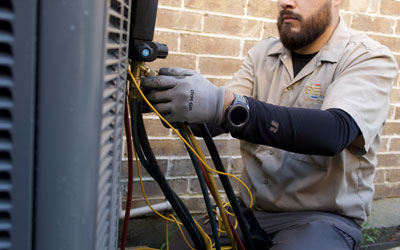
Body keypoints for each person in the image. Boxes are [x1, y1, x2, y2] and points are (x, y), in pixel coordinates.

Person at [141, 0, 398, 249]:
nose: (286, 2)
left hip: (322, 217)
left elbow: (333, 132)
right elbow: (214, 119)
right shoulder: (264, 53)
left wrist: (225, 105)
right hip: (251, 209)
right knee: (184, 243)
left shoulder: (367, 58)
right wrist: (174, 100)